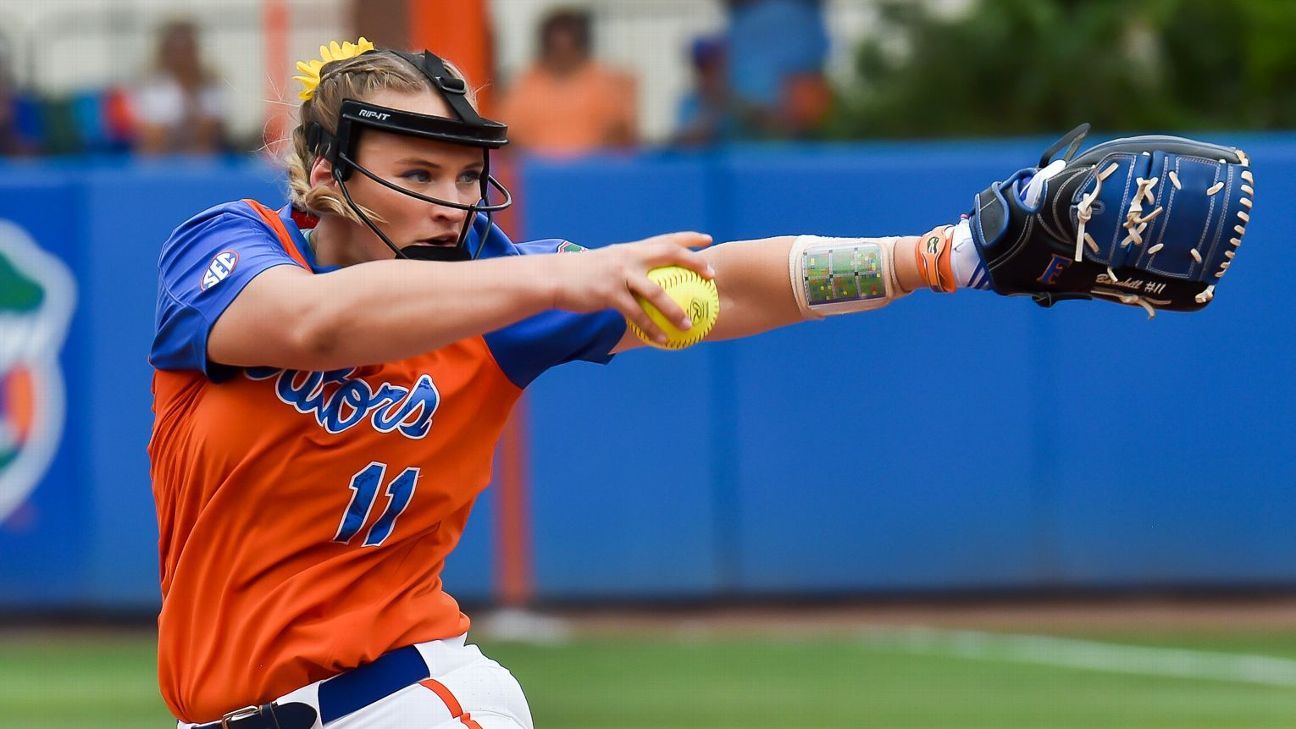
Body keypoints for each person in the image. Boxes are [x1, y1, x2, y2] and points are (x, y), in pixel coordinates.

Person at [149, 38, 975, 729]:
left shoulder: (503, 288)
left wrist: (931, 257)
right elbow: (314, 325)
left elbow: (728, 283)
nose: (453, 203)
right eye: (419, 173)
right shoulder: (230, 247)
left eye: (467, 177)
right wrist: (556, 281)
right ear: (327, 172)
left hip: (404, 702)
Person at [495, 8, 637, 154]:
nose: (562, 53)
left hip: (595, 170)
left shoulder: (606, 85)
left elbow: (621, 134)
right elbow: (507, 135)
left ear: (581, 47)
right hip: (534, 171)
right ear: (545, 47)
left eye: (569, 45)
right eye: (556, 47)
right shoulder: (523, 86)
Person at [132, 19, 227, 155]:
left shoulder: (210, 83)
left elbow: (210, 131)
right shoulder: (151, 84)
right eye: (175, 50)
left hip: (200, 156)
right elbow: (151, 134)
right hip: (159, 156)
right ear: (165, 52)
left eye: (186, 49)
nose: (181, 56)